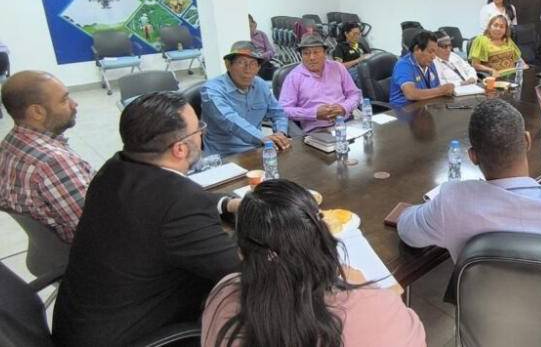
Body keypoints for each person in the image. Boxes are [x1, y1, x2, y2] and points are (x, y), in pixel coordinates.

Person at [53, 92, 241, 347]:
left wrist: (226, 203)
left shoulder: (115, 168)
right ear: (180, 148)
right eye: (199, 128)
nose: (202, 133)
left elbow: (163, 202)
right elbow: (237, 268)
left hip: (83, 324)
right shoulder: (179, 202)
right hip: (134, 335)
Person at [201, 179, 426, 347]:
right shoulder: (380, 306)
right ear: (326, 239)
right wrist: (365, 290)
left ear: (241, 253)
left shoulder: (223, 298)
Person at [397, 99, 541, 262]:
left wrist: (411, 211)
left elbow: (408, 232)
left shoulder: (453, 200)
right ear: (527, 141)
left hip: (488, 319)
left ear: (472, 157)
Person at [0, 71, 93, 243]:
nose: (74, 104)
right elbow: (99, 227)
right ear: (36, 112)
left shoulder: (9, 143)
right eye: (64, 100)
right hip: (84, 250)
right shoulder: (53, 163)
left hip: (49, 247)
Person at [201, 41, 291, 156]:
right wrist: (263, 138)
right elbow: (230, 121)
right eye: (241, 62)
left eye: (253, 64)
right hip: (224, 156)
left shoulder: (261, 85)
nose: (247, 69)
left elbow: (278, 112)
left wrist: (280, 133)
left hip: (257, 150)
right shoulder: (211, 90)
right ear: (228, 65)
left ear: (258, 67)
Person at [279, 33, 362, 133]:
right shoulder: (294, 77)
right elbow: (283, 109)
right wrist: (313, 113)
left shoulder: (337, 67)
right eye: (306, 53)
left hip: (347, 123)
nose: (312, 57)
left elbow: (354, 93)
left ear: (325, 53)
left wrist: (344, 108)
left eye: (316, 52)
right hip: (317, 131)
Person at [389, 30, 454, 108]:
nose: (434, 57)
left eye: (435, 52)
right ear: (417, 49)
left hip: (424, 107)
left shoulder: (430, 63)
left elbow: (436, 87)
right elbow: (411, 94)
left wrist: (445, 91)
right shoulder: (404, 65)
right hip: (403, 111)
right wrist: (441, 91)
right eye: (430, 52)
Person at [333, 21, 372, 87]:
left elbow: (368, 55)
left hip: (362, 69)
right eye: (354, 34)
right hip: (349, 73)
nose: (357, 36)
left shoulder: (360, 44)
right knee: (362, 74)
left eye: (359, 34)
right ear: (346, 34)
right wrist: (358, 60)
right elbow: (338, 67)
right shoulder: (340, 47)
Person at [249, 14, 277, 80]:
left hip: (265, 63)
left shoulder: (261, 34)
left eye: (250, 25)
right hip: (252, 66)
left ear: (254, 24)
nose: (249, 28)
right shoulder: (243, 36)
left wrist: (262, 56)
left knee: (279, 75)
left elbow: (271, 51)